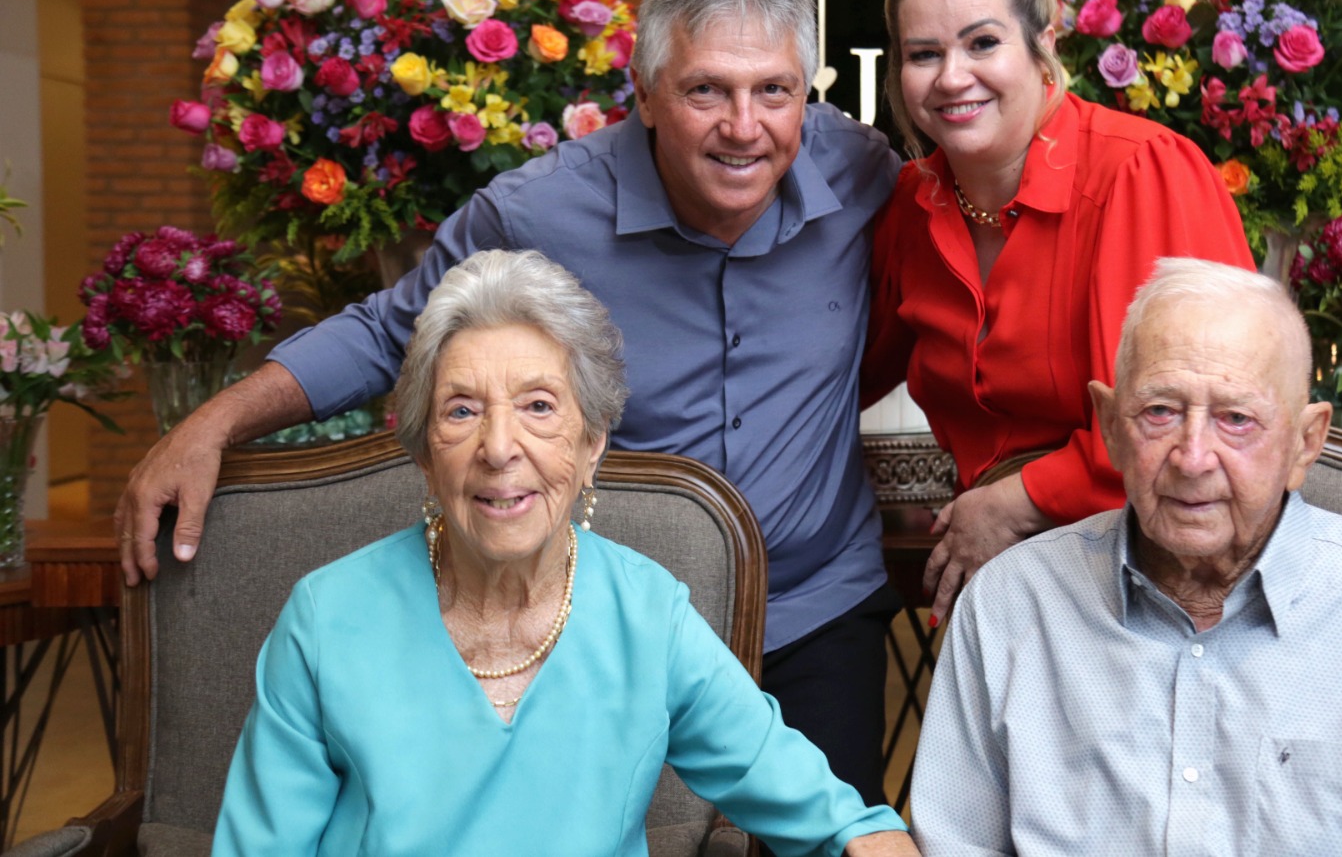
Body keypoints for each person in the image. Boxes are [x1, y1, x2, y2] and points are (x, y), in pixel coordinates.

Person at [118, 0, 903, 806]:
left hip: (818, 606)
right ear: (643, 94)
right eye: (705, 91)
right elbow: (390, 333)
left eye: (774, 92)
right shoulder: (541, 209)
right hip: (608, 623)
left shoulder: (866, 173)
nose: (743, 127)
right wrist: (210, 424)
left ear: (809, 94)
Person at [212, 249, 917, 857]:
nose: (498, 447)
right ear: (425, 454)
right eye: (461, 410)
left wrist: (872, 839)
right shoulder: (328, 618)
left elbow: (819, 807)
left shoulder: (647, 616)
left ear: (592, 445)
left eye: (539, 406)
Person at [909, 257, 1342, 855]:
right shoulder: (1010, 606)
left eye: (1236, 419)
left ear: (1304, 442)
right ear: (1109, 426)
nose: (1192, 456)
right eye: (1160, 411)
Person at [863, 0, 1256, 624]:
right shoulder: (910, 208)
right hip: (1002, 587)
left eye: (982, 43)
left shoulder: (1144, 173)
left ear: (1042, 42)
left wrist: (1014, 503)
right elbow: (840, 374)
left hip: (1162, 582)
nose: (952, 77)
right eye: (924, 54)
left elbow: (1195, 423)